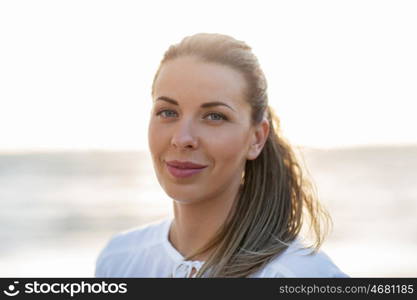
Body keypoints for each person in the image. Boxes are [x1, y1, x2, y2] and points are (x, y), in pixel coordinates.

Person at [95, 32, 348, 278]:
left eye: (215, 116)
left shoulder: (303, 276)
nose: (182, 139)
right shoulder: (118, 260)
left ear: (256, 138)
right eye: (168, 112)